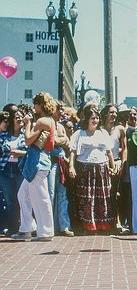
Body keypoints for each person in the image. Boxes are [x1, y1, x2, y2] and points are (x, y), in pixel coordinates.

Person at [12, 92, 57, 242]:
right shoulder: (49, 120)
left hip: (37, 162)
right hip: (40, 161)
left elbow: (27, 140)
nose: (34, 107)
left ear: (40, 105)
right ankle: (26, 229)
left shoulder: (42, 121)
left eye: (35, 104)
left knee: (40, 198)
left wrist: (28, 124)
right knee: (23, 195)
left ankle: (45, 232)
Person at [69, 104, 116, 234]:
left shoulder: (103, 133)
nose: (95, 120)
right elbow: (73, 152)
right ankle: (88, 226)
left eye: (96, 118)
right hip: (85, 169)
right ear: (87, 119)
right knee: (87, 198)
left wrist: (112, 166)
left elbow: (109, 152)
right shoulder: (79, 133)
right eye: (92, 118)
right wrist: (71, 166)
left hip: (101, 169)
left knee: (102, 198)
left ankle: (103, 225)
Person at [100, 104, 128, 233]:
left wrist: (122, 163)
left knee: (115, 194)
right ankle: (104, 221)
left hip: (116, 164)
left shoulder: (120, 129)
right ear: (105, 113)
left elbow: (124, 147)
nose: (114, 115)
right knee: (103, 195)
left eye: (116, 113)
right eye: (111, 112)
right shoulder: (99, 129)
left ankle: (118, 222)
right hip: (102, 164)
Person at [0, 108, 26, 236]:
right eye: (17, 117)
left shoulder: (26, 134)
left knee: (22, 199)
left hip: (20, 169)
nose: (20, 119)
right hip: (5, 169)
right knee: (10, 201)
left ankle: (24, 227)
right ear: (12, 120)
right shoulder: (4, 135)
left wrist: (19, 153)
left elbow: (31, 152)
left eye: (21, 117)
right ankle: (13, 228)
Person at [48, 101, 72, 237]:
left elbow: (67, 143)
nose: (61, 112)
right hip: (51, 162)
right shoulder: (46, 123)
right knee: (50, 194)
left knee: (62, 195)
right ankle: (49, 226)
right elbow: (53, 142)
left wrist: (61, 139)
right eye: (59, 109)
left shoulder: (61, 126)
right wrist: (61, 140)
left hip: (61, 162)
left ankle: (64, 226)